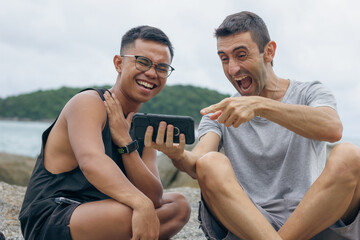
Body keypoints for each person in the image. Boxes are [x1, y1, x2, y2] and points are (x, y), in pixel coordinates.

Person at [146, 11, 360, 240]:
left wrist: (260, 105)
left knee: (350, 154)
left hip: (313, 220)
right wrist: (178, 155)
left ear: (269, 51)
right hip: (250, 225)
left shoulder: (310, 92)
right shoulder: (219, 112)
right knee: (210, 162)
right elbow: (198, 162)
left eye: (241, 55)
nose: (232, 69)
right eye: (224, 58)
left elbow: (332, 128)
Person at [19, 25, 190, 240]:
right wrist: (140, 203)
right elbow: (91, 161)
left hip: (104, 215)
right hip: (54, 217)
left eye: (162, 68)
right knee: (132, 211)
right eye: (143, 62)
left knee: (179, 205)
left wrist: (127, 143)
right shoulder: (89, 103)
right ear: (119, 63)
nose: (151, 73)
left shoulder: (142, 127)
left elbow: (154, 197)